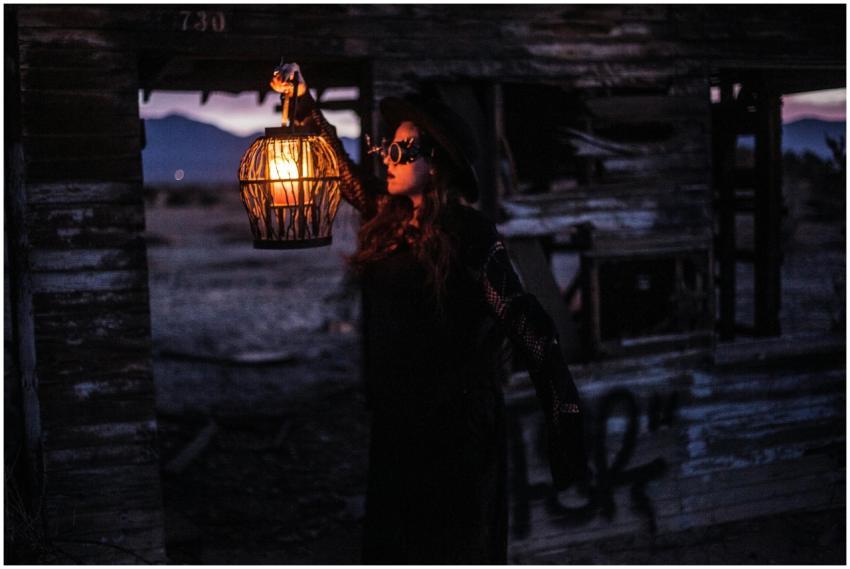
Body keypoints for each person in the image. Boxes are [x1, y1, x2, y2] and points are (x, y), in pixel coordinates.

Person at [272, 63, 589, 564]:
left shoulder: (470, 235)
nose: (387, 157)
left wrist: (564, 417)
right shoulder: (389, 220)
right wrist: (305, 103)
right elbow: (345, 172)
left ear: (436, 163)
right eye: (388, 147)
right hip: (399, 428)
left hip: (456, 436)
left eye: (402, 150)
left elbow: (527, 323)